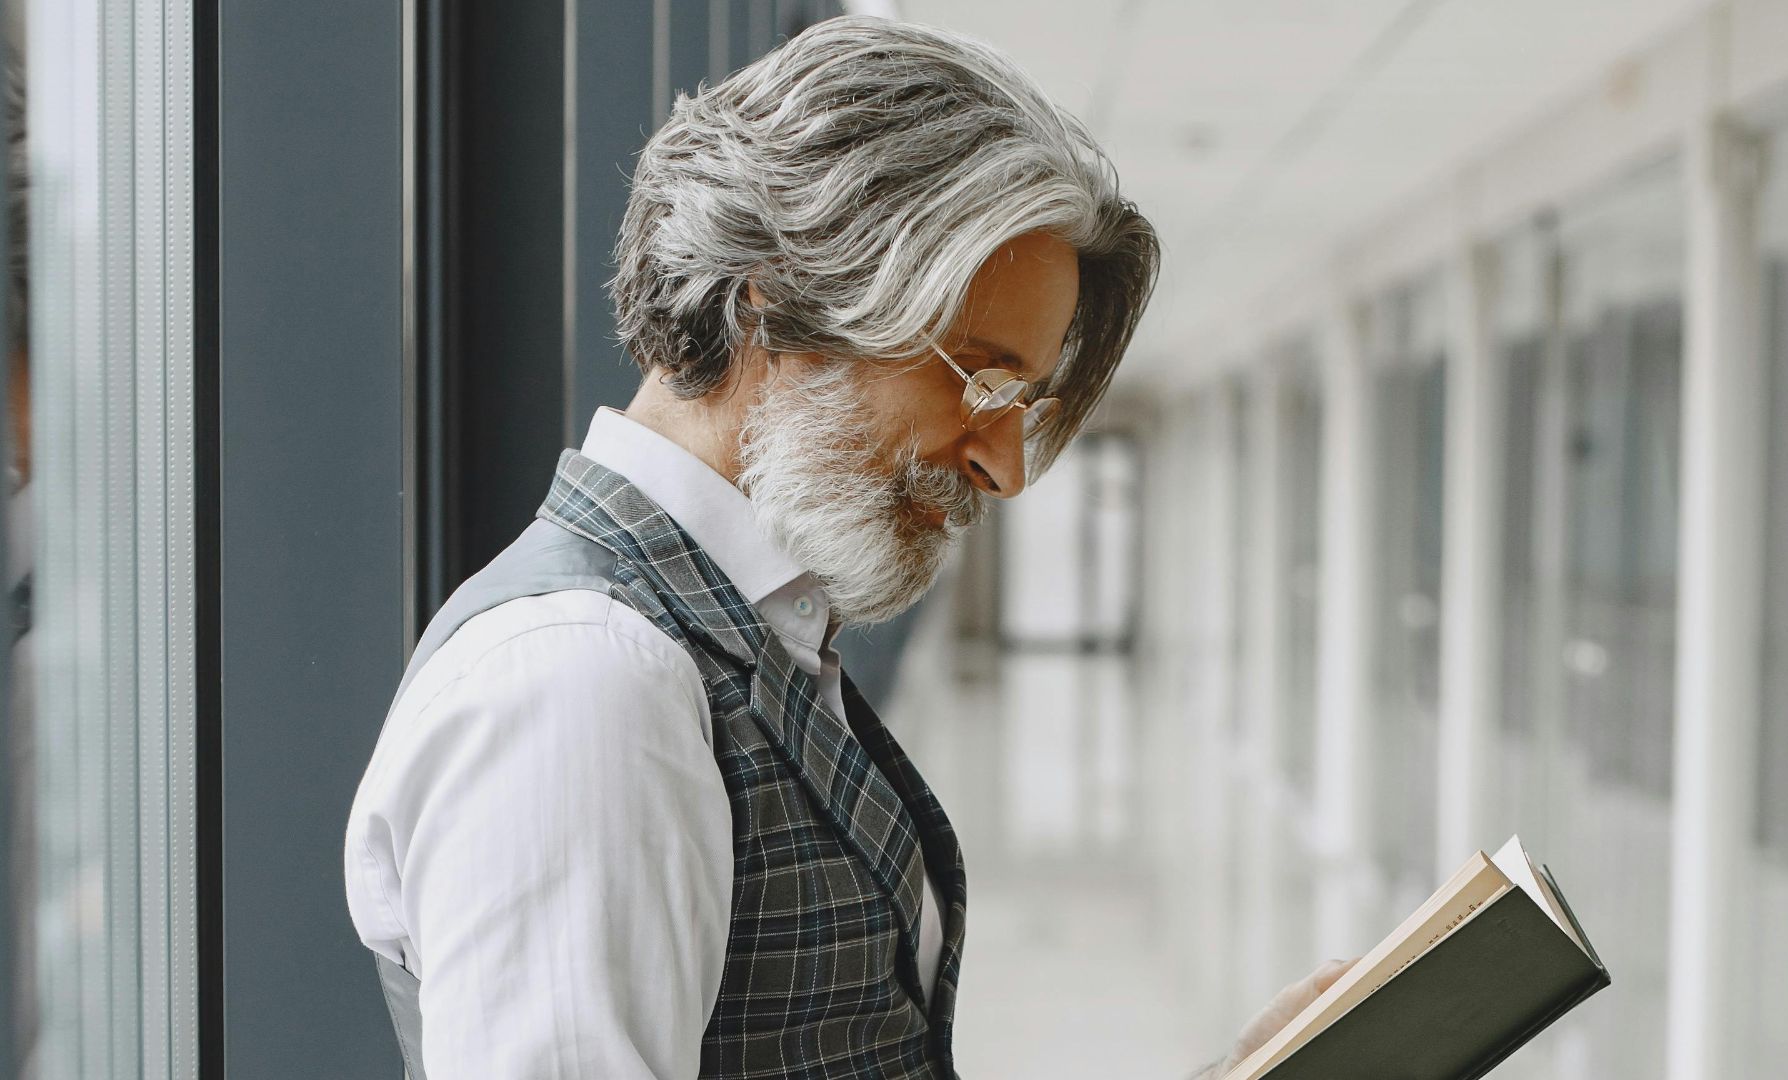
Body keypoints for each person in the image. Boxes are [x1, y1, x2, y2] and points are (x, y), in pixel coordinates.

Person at [343, 16, 1346, 1079]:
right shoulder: (584, 684)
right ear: (770, 303)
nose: (1005, 467)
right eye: (980, 380)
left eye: (1026, 402)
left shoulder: (745, 632)